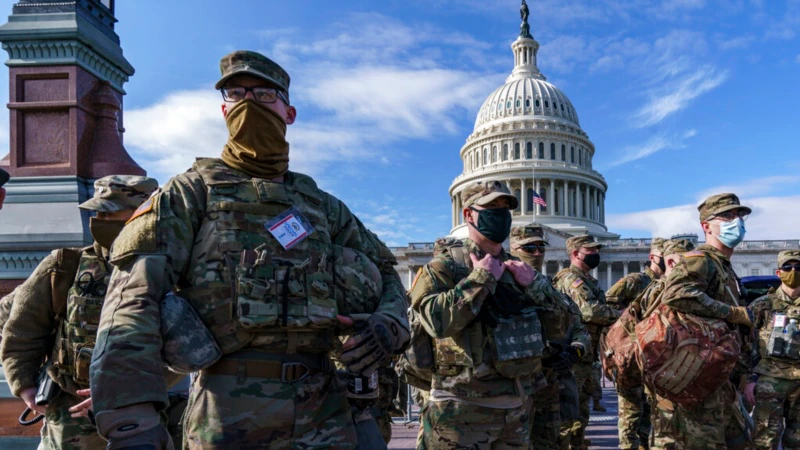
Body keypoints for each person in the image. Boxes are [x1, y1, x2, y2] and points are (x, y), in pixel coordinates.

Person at [88, 51, 410, 450]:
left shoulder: (322, 206)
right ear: (224, 111)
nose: (248, 104)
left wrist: (389, 323)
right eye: (237, 94)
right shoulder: (191, 193)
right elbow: (131, 303)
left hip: (324, 411)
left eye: (263, 95)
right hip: (226, 413)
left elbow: (386, 271)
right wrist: (130, 419)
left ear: (288, 113)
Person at [0, 175, 158, 450]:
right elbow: (23, 327)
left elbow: (190, 349)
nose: (99, 220)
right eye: (96, 212)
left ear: (142, 214)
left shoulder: (172, 271)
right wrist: (24, 384)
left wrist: (125, 391)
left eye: (110, 212)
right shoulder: (66, 266)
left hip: (144, 412)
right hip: (70, 414)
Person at [411, 181, 549, 449]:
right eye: (490, 207)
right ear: (468, 214)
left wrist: (536, 286)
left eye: (504, 208)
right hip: (459, 414)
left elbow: (559, 328)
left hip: (515, 411)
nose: (500, 215)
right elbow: (435, 321)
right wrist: (482, 278)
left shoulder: (517, 270)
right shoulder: (445, 267)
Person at [653, 193, 755, 449]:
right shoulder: (701, 259)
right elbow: (676, 294)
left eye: (739, 216)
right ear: (706, 226)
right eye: (727, 216)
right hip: (698, 381)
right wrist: (733, 312)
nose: (737, 222)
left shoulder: (722, 265)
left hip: (718, 380)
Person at [510, 224, 590, 450]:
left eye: (540, 247)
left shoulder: (552, 288)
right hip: (514, 388)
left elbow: (578, 326)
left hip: (551, 387)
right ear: (514, 248)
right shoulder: (498, 286)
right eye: (529, 248)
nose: (537, 253)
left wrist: (576, 349)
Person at [554, 234, 620, 450]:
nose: (595, 254)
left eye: (595, 250)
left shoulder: (586, 279)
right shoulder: (572, 279)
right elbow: (589, 311)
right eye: (590, 251)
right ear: (575, 253)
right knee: (570, 407)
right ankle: (569, 443)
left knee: (582, 404)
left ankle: (577, 441)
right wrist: (619, 314)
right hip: (575, 353)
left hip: (586, 352)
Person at [606, 237, 666, 450]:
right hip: (631, 357)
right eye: (664, 256)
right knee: (630, 415)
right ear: (653, 257)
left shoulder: (668, 284)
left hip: (654, 358)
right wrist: (626, 333)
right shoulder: (635, 281)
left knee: (650, 417)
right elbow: (607, 308)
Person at [635, 238, 695, 450]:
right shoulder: (655, 292)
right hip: (665, 377)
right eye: (686, 263)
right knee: (666, 437)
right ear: (671, 263)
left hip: (693, 373)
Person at [749, 249, 800, 449]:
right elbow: (747, 344)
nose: (793, 271)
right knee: (764, 440)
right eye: (788, 267)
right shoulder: (763, 305)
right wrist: (749, 380)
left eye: (798, 267)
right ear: (779, 272)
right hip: (770, 381)